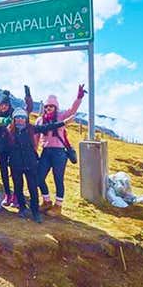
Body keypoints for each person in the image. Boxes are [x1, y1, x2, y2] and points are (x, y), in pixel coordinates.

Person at [6, 107, 75, 223]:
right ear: (14, 119)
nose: (20, 120)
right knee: (18, 187)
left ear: (26, 119)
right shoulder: (9, 131)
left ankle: (35, 212)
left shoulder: (31, 129)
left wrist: (64, 123)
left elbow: (48, 127)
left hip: (30, 164)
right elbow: (3, 146)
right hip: (15, 165)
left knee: (33, 188)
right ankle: (22, 208)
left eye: (22, 118)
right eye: (17, 118)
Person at [36, 85, 86, 217]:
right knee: (39, 178)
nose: (48, 108)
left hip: (59, 153)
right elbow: (36, 137)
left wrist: (79, 98)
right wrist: (34, 151)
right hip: (45, 152)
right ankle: (46, 201)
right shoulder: (40, 120)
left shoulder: (61, 116)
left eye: (51, 106)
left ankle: (58, 206)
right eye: (46, 106)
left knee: (58, 179)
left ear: (55, 107)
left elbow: (72, 110)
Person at [0, 87, 34, 208]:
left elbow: (28, 110)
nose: (3, 107)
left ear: (9, 105)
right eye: (1, 104)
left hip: (13, 148)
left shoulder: (14, 113)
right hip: (0, 148)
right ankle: (7, 194)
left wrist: (28, 97)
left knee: (15, 172)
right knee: (3, 172)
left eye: (5, 104)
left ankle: (16, 194)